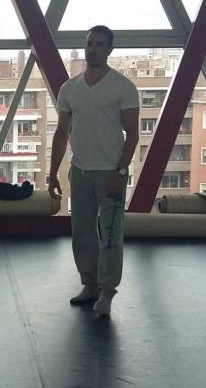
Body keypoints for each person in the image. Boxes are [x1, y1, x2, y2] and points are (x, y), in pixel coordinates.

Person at [47, 25, 139, 316]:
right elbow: (61, 133)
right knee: (83, 234)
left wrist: (120, 172)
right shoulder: (70, 88)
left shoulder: (123, 87)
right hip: (81, 172)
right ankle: (90, 284)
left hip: (110, 173)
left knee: (110, 236)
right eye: (89, 43)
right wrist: (52, 174)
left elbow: (133, 134)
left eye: (99, 44)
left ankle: (108, 291)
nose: (93, 49)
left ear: (109, 50)